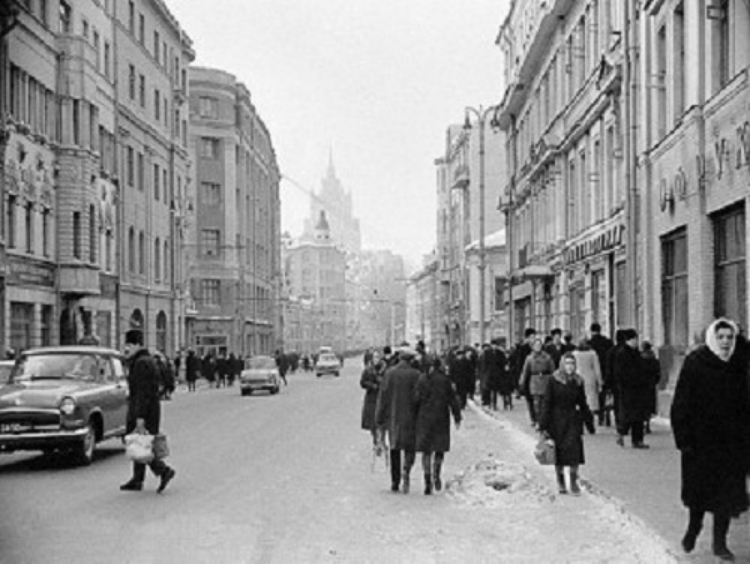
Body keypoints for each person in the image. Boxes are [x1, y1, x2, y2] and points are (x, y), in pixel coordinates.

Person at [671, 319, 750, 561]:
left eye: (729, 337)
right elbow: (681, 403)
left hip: (731, 443)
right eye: (721, 337)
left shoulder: (738, 363)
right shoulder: (696, 362)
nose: (725, 342)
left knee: (725, 497)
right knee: (700, 493)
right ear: (712, 338)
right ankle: (693, 529)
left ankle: (720, 543)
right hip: (700, 443)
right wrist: (684, 439)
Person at [120, 328, 176, 493]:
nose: (126, 348)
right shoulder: (144, 360)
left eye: (129, 345)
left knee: (140, 444)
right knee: (139, 442)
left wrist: (140, 416)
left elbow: (143, 392)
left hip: (144, 410)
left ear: (138, 345)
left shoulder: (141, 363)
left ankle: (163, 471)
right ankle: (137, 479)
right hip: (149, 408)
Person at [538, 353, 595, 495]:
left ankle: (573, 482)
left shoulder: (578, 381)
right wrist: (543, 424)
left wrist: (589, 421)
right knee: (559, 454)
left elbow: (582, 402)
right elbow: (547, 403)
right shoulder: (553, 380)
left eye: (572, 363)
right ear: (562, 364)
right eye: (567, 363)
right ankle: (561, 481)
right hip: (556, 421)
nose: (570, 366)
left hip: (573, 419)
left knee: (575, 452)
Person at [375, 346, 421, 494]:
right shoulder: (416, 375)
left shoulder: (389, 374)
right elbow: (419, 397)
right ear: (411, 360)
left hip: (393, 417)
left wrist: (379, 418)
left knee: (394, 448)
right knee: (410, 447)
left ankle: (395, 481)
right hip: (411, 417)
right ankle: (406, 469)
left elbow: (383, 397)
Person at [414, 357, 461, 495]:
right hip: (441, 418)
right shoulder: (445, 380)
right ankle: (436, 473)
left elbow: (416, 399)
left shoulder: (422, 379)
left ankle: (427, 480)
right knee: (439, 449)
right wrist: (457, 416)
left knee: (426, 451)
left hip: (425, 418)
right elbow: (453, 399)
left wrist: (415, 415)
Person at [613, 329, 651, 448]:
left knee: (638, 416)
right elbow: (619, 372)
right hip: (628, 389)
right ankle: (621, 433)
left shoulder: (636, 353)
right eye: (634, 339)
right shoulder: (622, 353)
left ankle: (637, 440)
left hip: (638, 389)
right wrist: (625, 383)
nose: (636, 341)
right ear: (629, 340)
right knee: (628, 415)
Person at [519, 337, 555, 426]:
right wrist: (522, 382)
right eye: (536, 345)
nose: (538, 347)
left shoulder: (547, 357)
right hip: (534, 382)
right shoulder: (529, 358)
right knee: (536, 404)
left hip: (545, 381)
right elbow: (525, 371)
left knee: (545, 403)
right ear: (533, 347)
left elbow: (552, 370)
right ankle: (537, 420)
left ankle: (544, 421)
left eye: (539, 345)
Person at [360, 350, 386, 454]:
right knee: (373, 423)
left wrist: (382, 385)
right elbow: (362, 382)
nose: (376, 359)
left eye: (378, 357)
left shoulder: (385, 369)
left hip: (382, 398)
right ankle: (376, 442)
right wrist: (371, 385)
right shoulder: (368, 370)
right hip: (371, 399)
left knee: (382, 422)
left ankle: (381, 441)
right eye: (374, 357)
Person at [589, 323, 614, 426]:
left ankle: (597, 413)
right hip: (606, 371)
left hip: (592, 373)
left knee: (594, 393)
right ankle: (604, 413)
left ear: (591, 331)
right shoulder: (608, 342)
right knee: (605, 393)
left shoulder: (589, 344)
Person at [572, 338, 602, 423]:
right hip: (590, 377)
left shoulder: (574, 354)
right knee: (590, 399)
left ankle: (580, 418)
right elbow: (597, 369)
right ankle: (589, 419)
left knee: (579, 399)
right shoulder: (593, 353)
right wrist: (599, 382)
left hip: (578, 376)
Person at [640, 341, 661, 434]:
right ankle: (647, 424)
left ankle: (642, 423)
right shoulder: (654, 359)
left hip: (641, 385)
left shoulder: (639, 359)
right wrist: (655, 381)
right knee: (649, 404)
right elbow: (658, 372)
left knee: (642, 405)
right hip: (651, 384)